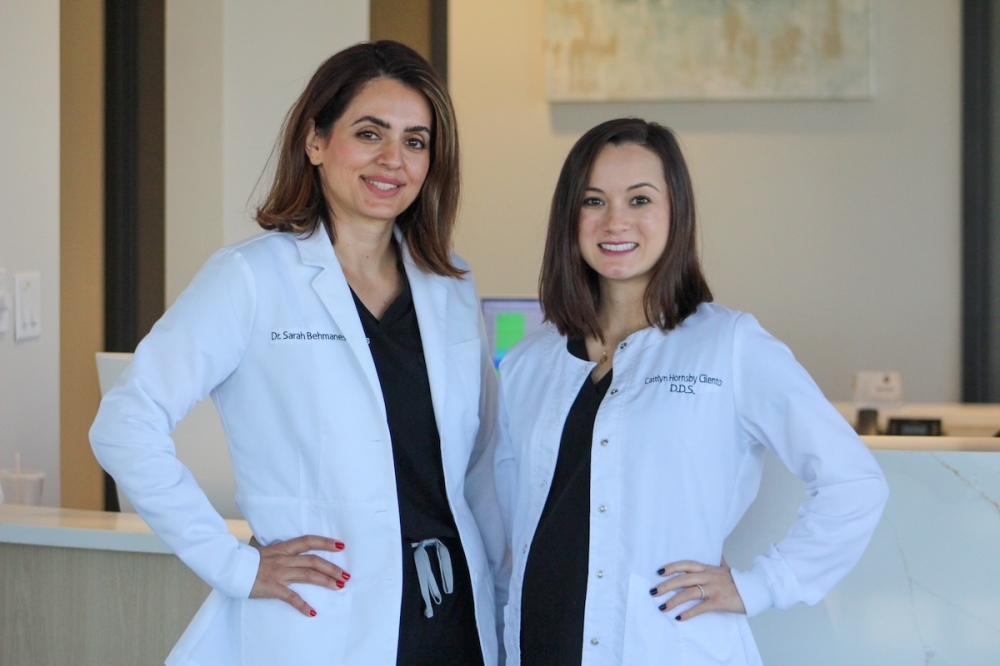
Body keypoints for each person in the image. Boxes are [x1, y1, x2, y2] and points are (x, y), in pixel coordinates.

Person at [91, 41, 505, 666]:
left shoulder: (451, 284)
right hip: (324, 621)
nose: (394, 159)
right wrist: (233, 565)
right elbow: (124, 424)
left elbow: (478, 467)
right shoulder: (251, 278)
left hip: (452, 621)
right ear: (316, 141)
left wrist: (501, 596)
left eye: (416, 141)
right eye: (370, 133)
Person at [494, 118, 889, 665]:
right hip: (535, 646)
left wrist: (761, 585)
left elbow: (854, 482)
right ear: (570, 216)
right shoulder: (526, 365)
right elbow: (500, 527)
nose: (615, 221)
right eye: (593, 200)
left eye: (639, 199)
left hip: (666, 647)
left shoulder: (729, 345)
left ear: (675, 212)